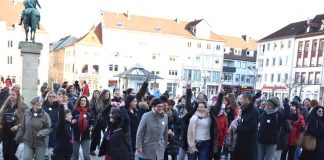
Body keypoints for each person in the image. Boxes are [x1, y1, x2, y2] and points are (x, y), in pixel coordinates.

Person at [232, 92, 260, 160]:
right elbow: (243, 123)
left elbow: (252, 128)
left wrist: (238, 128)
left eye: (241, 99)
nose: (240, 101)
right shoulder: (244, 109)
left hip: (248, 145)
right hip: (241, 143)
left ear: (247, 99)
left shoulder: (254, 111)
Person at [0, 88, 26, 160]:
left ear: (17, 96)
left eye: (13, 95)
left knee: (11, 155)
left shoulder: (22, 106)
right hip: (5, 133)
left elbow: (27, 120)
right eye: (10, 94)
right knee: (5, 155)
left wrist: (18, 126)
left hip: (15, 134)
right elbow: (1, 117)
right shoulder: (6, 106)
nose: (11, 96)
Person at [71, 96, 93, 160]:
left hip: (86, 136)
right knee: (75, 157)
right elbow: (70, 123)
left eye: (84, 100)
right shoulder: (74, 111)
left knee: (86, 156)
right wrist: (72, 122)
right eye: (81, 100)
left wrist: (91, 127)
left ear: (86, 102)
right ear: (79, 102)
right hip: (76, 136)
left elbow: (92, 121)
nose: (83, 102)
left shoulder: (89, 111)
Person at [90, 89, 111, 155]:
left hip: (106, 122)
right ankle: (92, 150)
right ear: (103, 94)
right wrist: (93, 118)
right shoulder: (97, 101)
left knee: (107, 137)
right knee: (95, 137)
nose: (107, 95)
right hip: (97, 121)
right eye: (106, 94)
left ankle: (106, 150)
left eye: (108, 94)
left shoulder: (110, 102)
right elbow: (92, 110)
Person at [42, 91, 60, 159]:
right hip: (45, 127)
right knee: (45, 144)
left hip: (54, 127)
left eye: (53, 96)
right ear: (47, 97)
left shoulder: (57, 105)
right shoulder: (43, 105)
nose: (51, 98)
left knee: (52, 144)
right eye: (50, 96)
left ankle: (51, 155)